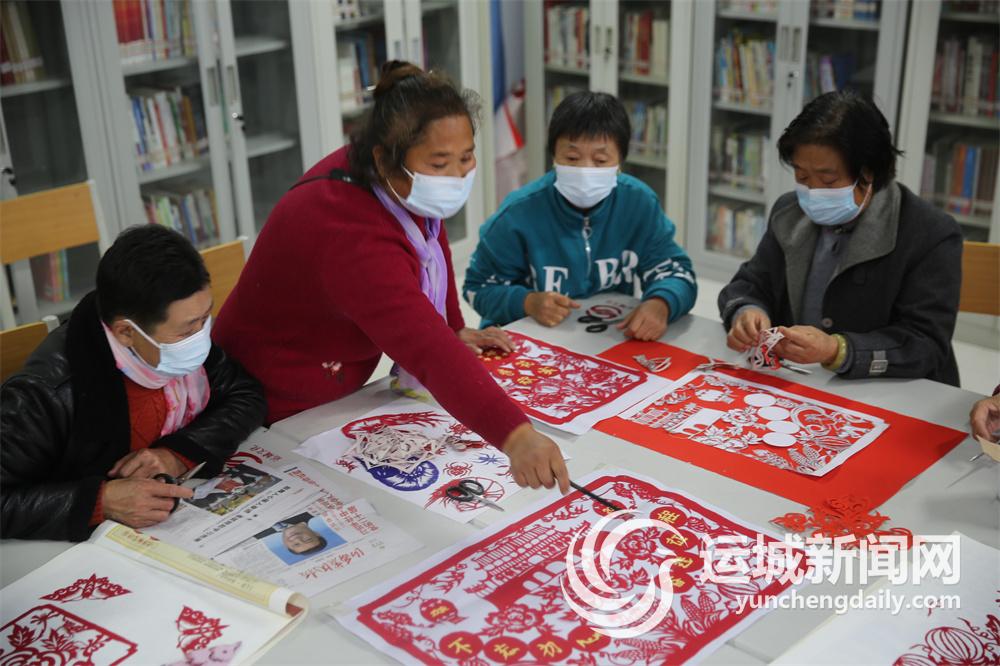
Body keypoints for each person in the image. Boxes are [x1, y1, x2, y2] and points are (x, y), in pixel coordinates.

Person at [213, 61, 569, 494]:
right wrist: (516, 436)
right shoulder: (348, 230)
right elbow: (426, 347)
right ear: (385, 158)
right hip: (271, 405)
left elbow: (428, 236)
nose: (458, 176)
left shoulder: (392, 178)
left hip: (336, 389)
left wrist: (453, 325)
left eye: (466, 157)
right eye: (440, 163)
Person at [0, 225, 267, 541]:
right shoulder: (45, 393)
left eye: (205, 317)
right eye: (186, 330)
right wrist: (101, 501)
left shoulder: (175, 339)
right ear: (126, 332)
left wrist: (175, 455)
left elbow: (245, 394)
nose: (200, 336)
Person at [718, 90, 962, 384]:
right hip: (803, 381)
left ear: (868, 173)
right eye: (802, 176)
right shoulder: (789, 212)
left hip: (888, 389)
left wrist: (837, 349)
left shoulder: (930, 233)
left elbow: (925, 344)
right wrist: (747, 311)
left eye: (828, 179)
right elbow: (750, 283)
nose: (813, 191)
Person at [463, 91, 696, 339]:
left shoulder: (639, 203)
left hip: (604, 338)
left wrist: (661, 303)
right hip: (529, 340)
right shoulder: (518, 213)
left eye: (600, 160)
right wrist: (527, 302)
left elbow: (677, 272)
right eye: (572, 158)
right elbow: (477, 288)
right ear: (554, 156)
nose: (585, 169)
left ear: (620, 161)